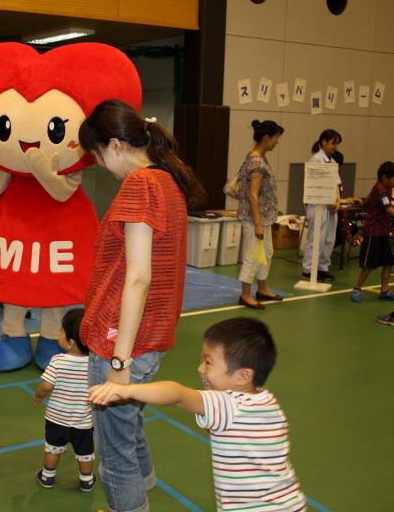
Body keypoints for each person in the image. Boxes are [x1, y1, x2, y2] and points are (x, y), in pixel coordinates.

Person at [77, 99, 206, 512]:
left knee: (113, 451)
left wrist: (119, 360)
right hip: (150, 335)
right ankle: (143, 485)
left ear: (114, 145)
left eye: (97, 154)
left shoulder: (140, 185)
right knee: (128, 424)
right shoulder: (167, 181)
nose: (99, 164)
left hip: (123, 337)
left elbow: (139, 276)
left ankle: (128, 504)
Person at [89, 317, 306, 511]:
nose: (200, 369)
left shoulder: (229, 405)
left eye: (208, 362)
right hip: (290, 503)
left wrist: (125, 389)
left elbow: (177, 394)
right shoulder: (267, 402)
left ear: (243, 376)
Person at [32, 308, 95, 492]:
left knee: (53, 448)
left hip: (57, 419)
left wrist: (38, 396)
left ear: (71, 343)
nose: (58, 334)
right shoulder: (94, 363)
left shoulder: (58, 361)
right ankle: (87, 480)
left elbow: (46, 386)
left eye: (61, 331)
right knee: (85, 453)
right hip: (83, 421)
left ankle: (47, 476)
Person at [237, 119, 285, 309]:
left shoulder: (258, 157)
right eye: (276, 138)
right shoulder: (256, 162)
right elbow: (253, 195)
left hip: (263, 217)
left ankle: (262, 288)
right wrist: (257, 223)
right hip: (254, 218)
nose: (277, 142)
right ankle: (245, 294)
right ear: (266, 138)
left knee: (266, 252)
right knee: (253, 254)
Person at [350, 161, 394, 303]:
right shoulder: (381, 189)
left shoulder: (386, 188)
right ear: (385, 177)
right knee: (369, 264)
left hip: (383, 232)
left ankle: (385, 291)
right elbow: (388, 209)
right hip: (373, 232)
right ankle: (357, 288)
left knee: (388, 262)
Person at [302, 129, 342, 282]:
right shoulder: (316, 160)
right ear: (323, 142)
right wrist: (331, 201)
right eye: (333, 143)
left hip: (331, 207)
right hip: (318, 205)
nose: (335, 147)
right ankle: (308, 269)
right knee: (316, 239)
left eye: (336, 144)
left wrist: (337, 201)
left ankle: (322, 267)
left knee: (329, 239)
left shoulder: (331, 161)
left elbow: (336, 184)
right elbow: (319, 185)